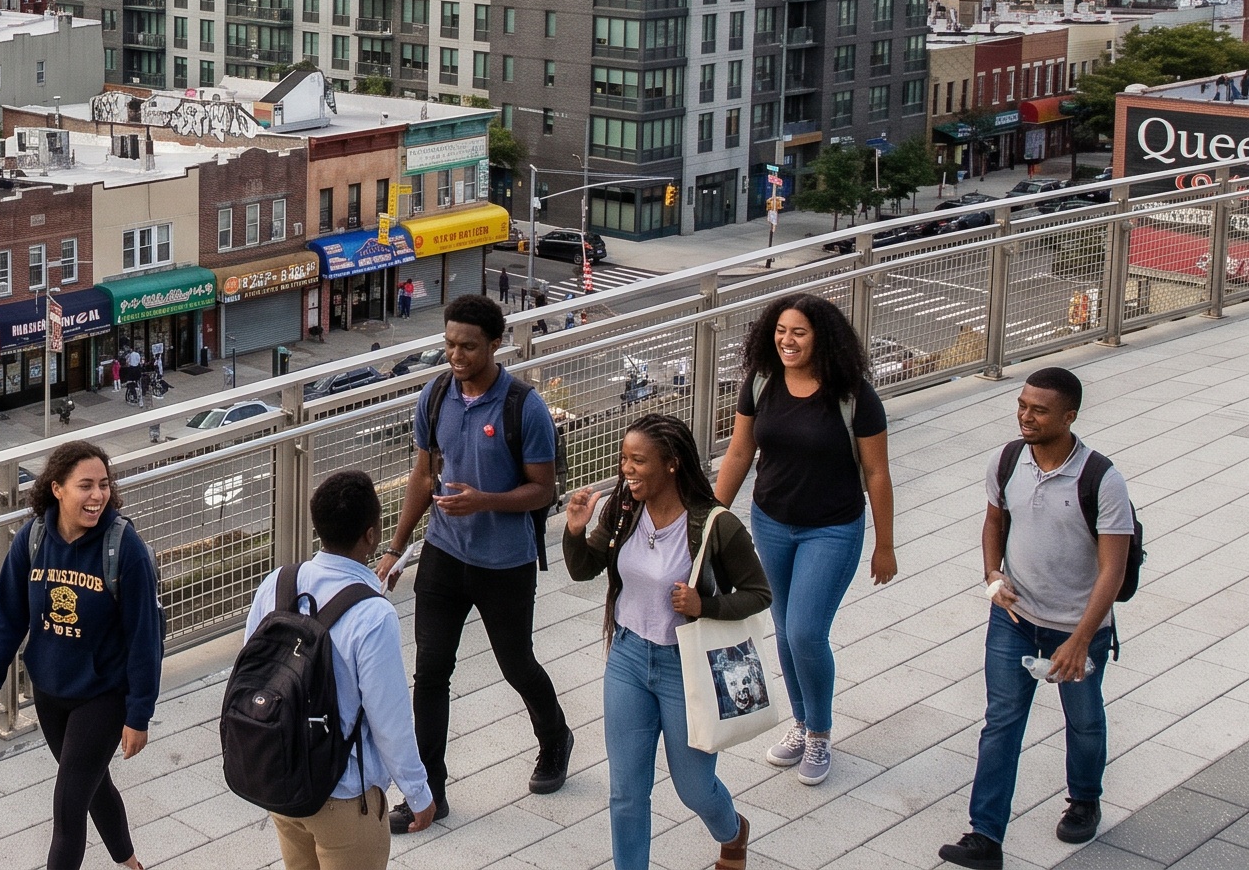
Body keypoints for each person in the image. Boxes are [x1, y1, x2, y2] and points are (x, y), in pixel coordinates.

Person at [373, 294, 572, 826]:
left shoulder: (523, 407)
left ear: (495, 344)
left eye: (468, 347)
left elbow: (543, 491)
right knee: (430, 674)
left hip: (504, 563)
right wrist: (396, 548)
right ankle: (428, 793)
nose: (456, 356)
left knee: (516, 663)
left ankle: (555, 738)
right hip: (443, 555)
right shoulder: (436, 395)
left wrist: (483, 499)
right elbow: (422, 475)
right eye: (449, 344)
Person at [939, 368, 1134, 869]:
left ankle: (1085, 798)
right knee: (1001, 722)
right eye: (1022, 404)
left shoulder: (1102, 479)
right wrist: (991, 575)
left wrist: (1081, 637)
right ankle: (985, 837)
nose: (1025, 415)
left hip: (1079, 626)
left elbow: (1113, 567)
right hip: (1014, 618)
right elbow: (994, 520)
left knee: (1084, 721)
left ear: (1069, 417)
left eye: (1039, 409)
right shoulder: (1005, 460)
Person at [565, 414, 768, 870]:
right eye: (624, 459)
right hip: (629, 659)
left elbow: (759, 593)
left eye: (638, 461)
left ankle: (733, 832)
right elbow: (584, 569)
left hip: (685, 666)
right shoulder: (623, 511)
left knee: (693, 787)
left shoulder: (715, 524)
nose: (627, 470)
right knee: (626, 792)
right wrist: (575, 530)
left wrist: (704, 606)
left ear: (672, 464)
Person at [711, 295, 896, 786]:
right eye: (781, 330)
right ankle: (800, 722)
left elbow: (876, 472)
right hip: (771, 522)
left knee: (805, 632)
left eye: (799, 333)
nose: (787, 341)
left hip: (832, 528)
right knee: (785, 629)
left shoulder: (854, 395)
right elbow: (738, 452)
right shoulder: (762, 382)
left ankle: (819, 734)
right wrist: (709, 517)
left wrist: (885, 545)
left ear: (823, 339)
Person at [0, 441, 165, 870]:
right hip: (50, 690)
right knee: (92, 785)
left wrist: (138, 714)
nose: (97, 495)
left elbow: (144, 639)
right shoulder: (34, 539)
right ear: (57, 489)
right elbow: (6, 617)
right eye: (85, 486)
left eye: (103, 485)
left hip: (103, 694)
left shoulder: (124, 548)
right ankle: (130, 863)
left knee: (68, 803)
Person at [243, 471, 436, 869]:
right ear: (371, 535)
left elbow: (251, 671)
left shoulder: (278, 583)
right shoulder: (373, 615)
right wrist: (419, 794)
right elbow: (390, 720)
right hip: (346, 797)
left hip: (282, 782)